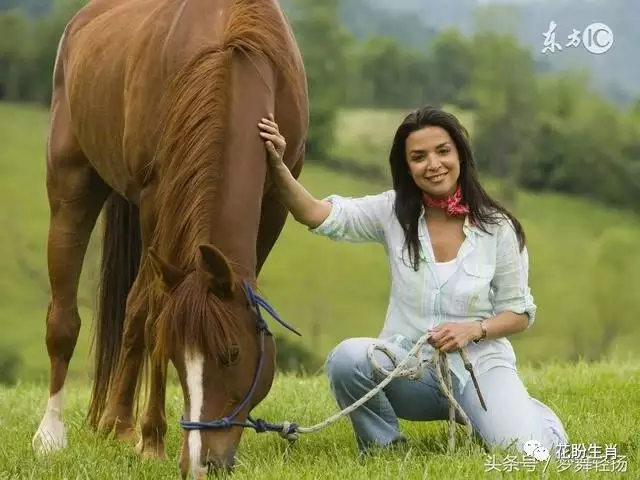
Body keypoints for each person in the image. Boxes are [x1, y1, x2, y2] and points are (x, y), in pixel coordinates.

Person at [257, 105, 569, 456]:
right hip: (409, 369)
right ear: (407, 167)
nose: (433, 164)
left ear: (461, 156)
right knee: (347, 359)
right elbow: (314, 213)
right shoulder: (392, 212)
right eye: (418, 157)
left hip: (479, 370)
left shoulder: (499, 228)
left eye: (443, 151)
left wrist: (473, 329)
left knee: (530, 454)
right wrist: (277, 165)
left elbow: (520, 314)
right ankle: (383, 449)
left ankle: (531, 417)